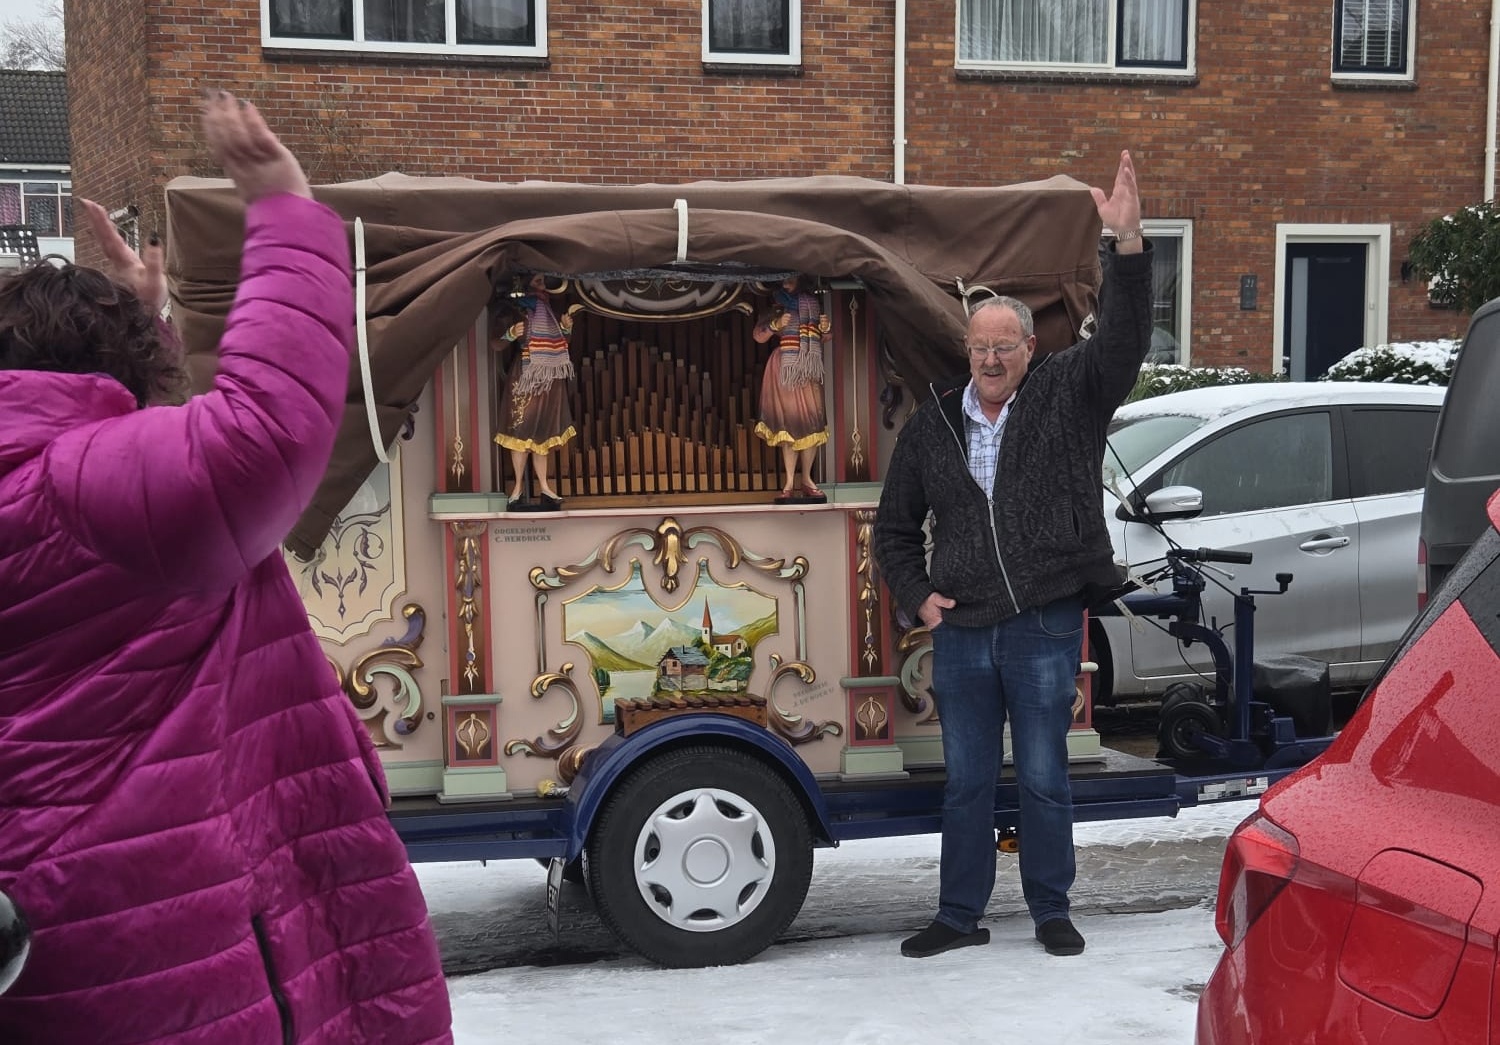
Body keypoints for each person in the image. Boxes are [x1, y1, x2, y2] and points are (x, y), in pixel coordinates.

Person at [0, 91, 453, 1041]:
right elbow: (259, 432)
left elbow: (146, 463)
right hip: (164, 931)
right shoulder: (74, 487)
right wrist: (284, 208)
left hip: (65, 917)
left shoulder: (40, 480)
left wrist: (141, 324)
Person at [872, 150, 1151, 960]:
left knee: (1041, 776)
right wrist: (917, 595)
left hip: (1043, 621)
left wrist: (1126, 247)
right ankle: (958, 914)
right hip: (962, 630)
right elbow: (894, 529)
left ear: (1030, 348)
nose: (991, 360)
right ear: (966, 350)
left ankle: (1051, 908)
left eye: (1005, 346)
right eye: (979, 347)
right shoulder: (933, 424)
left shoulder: (1069, 393)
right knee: (965, 782)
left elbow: (1124, 340)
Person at [493, 273, 577, 509]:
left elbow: (561, 345)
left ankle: (545, 487)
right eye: (538, 280)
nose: (543, 284)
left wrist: (566, 329)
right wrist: (510, 333)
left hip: (548, 379)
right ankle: (518, 488)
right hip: (525, 376)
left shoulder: (549, 310)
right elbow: (495, 343)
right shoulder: (512, 308)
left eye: (544, 280)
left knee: (542, 433)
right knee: (519, 432)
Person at [752, 273, 830, 501]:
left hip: (808, 367)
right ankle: (788, 482)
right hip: (785, 369)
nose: (786, 283)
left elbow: (823, 337)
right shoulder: (776, 306)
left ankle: (806, 479)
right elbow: (758, 336)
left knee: (812, 423)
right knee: (788, 424)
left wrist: (825, 329)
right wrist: (775, 325)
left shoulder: (813, 305)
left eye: (790, 278)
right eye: (783, 279)